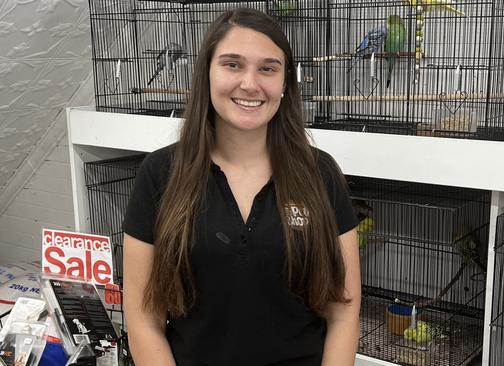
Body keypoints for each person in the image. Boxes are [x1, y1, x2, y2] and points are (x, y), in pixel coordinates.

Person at [121, 7, 361, 366]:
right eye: (232, 64)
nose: (250, 84)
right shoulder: (160, 172)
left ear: (285, 82)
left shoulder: (320, 173)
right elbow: (143, 316)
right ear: (207, 73)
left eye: (267, 68)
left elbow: (344, 311)